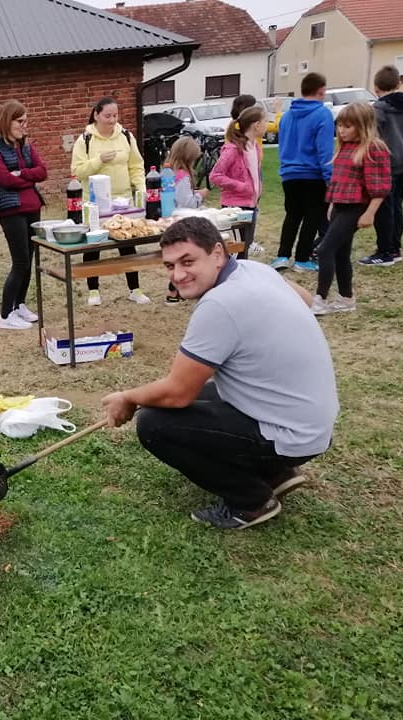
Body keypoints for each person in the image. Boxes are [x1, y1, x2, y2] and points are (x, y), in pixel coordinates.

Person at [101, 217, 338, 530]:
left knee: (154, 423)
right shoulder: (255, 270)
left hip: (295, 435)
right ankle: (277, 474)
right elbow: (306, 300)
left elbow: (176, 392)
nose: (178, 275)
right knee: (195, 393)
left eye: (188, 261)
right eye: (170, 266)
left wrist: (127, 398)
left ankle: (251, 501)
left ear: (216, 253)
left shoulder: (220, 305)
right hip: (314, 423)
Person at [311, 103, 391, 315]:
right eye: (340, 126)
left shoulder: (374, 149)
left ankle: (321, 298)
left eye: (348, 126)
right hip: (340, 206)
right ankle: (346, 298)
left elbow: (380, 187)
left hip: (356, 208)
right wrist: (332, 204)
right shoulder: (345, 147)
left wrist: (370, 212)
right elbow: (338, 180)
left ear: (362, 126)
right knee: (340, 253)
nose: (342, 130)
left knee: (325, 249)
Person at [71, 96, 150, 306]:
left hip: (123, 200)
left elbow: (136, 165)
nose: (112, 120)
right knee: (93, 246)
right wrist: (98, 161)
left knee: (127, 244)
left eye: (115, 115)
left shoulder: (125, 136)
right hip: (95, 202)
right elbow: (77, 171)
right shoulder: (85, 140)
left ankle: (135, 289)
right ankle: (93, 291)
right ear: (96, 115)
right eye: (107, 116)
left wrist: (140, 189)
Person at [0, 100, 48, 330]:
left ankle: (19, 304)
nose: (24, 125)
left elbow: (43, 171)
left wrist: (22, 172)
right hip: (11, 209)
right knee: (19, 261)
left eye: (25, 121)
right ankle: (5, 315)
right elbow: (4, 179)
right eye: (20, 121)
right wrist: (26, 178)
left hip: (32, 207)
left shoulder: (25, 145)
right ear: (7, 121)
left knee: (28, 259)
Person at [273, 72, 335, 272]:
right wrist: (330, 178)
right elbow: (325, 150)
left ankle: (282, 255)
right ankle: (302, 258)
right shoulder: (322, 114)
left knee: (292, 215)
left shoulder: (288, 115)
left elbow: (283, 145)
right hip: (312, 174)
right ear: (321, 90)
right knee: (312, 217)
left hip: (289, 173)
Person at [361, 64, 403, 266]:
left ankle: (385, 251)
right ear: (398, 83)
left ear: (376, 87)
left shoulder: (377, 110)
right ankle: (395, 247)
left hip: (386, 164)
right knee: (396, 206)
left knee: (384, 208)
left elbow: (372, 138)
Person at [210, 105, 268, 257]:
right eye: (266, 121)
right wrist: (241, 186)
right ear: (256, 125)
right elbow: (215, 175)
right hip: (234, 208)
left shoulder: (255, 147)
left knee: (245, 248)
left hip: (251, 205)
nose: (268, 125)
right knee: (236, 251)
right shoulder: (233, 149)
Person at [163, 136, 209, 303]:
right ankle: (174, 292)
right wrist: (199, 196)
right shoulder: (183, 176)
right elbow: (186, 202)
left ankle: (175, 290)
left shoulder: (169, 172)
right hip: (181, 220)